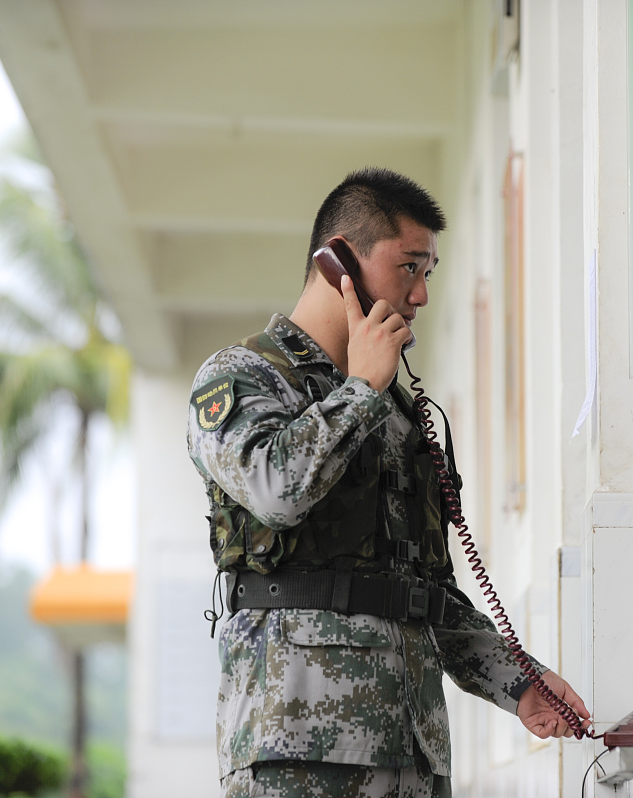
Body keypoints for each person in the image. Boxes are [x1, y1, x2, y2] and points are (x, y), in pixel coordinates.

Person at [188, 167, 589, 797]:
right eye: (410, 267)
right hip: (296, 749)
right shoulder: (243, 378)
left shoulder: (401, 415)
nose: (422, 294)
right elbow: (276, 490)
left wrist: (519, 683)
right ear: (338, 262)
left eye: (429, 270)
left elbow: (428, 591)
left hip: (412, 753)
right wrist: (362, 389)